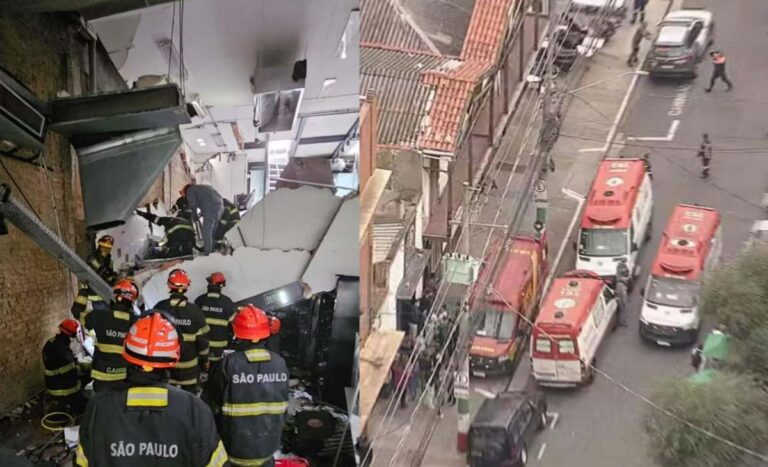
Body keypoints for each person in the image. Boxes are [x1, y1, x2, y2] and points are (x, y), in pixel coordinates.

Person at [76, 313, 229, 467]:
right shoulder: (195, 409)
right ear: (173, 358)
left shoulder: (98, 408)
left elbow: (82, 463)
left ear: (126, 353)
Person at [204, 304, 289, 467]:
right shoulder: (280, 363)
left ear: (237, 334)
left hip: (233, 452)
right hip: (267, 450)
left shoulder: (228, 364)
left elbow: (209, 407)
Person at [151, 269, 210, 393]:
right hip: (189, 369)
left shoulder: (160, 307)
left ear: (169, 286)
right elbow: (202, 342)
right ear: (187, 287)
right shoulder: (195, 311)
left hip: (165, 367)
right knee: (189, 401)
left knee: (166, 400)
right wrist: (205, 361)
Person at [81, 279, 138, 393]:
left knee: (104, 407)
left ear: (116, 297)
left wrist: (84, 292)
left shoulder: (99, 316)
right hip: (125, 376)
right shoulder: (137, 322)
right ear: (131, 301)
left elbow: (81, 316)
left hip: (102, 376)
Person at [42, 319, 88, 415]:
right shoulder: (64, 351)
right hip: (63, 390)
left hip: (50, 384)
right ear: (71, 335)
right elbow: (71, 374)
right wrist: (82, 368)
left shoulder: (50, 343)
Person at [194, 272, 237, 364]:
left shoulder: (199, 300)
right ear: (221, 285)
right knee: (217, 369)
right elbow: (234, 324)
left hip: (201, 345)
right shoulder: (227, 302)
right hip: (219, 346)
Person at [71, 235, 117, 320]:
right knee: (103, 319)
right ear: (99, 246)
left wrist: (113, 277)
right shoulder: (92, 258)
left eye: (108, 248)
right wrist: (107, 276)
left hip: (106, 295)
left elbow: (109, 274)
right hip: (95, 294)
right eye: (104, 247)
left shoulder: (109, 260)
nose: (106, 250)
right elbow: (99, 273)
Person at [181, 183, 224, 255]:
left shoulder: (190, 190)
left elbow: (193, 204)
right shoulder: (201, 188)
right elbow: (206, 199)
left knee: (206, 231)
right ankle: (210, 249)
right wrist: (201, 213)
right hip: (220, 205)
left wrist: (194, 215)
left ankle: (208, 253)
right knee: (212, 232)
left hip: (211, 207)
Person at [615, 259, 630, 326]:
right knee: (623, 305)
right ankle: (622, 322)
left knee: (624, 306)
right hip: (621, 286)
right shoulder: (619, 269)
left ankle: (622, 321)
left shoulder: (622, 268)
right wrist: (626, 279)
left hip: (622, 286)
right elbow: (621, 277)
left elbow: (627, 272)